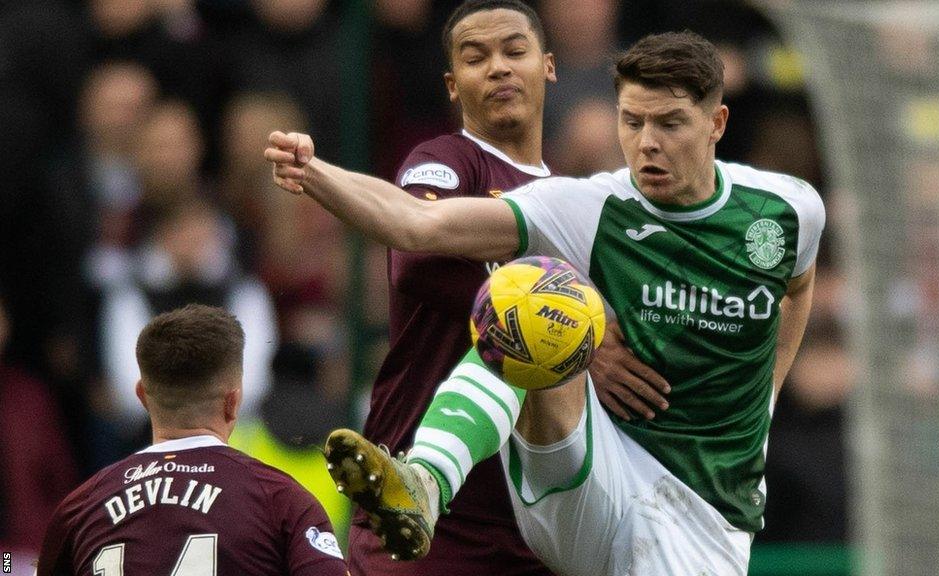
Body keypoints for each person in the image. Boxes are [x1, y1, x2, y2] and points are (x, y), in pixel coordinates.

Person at [266, 30, 824, 576]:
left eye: (670, 123)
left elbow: (796, 288)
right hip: (591, 479)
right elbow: (417, 223)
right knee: (532, 296)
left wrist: (767, 394)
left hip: (706, 512)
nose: (648, 142)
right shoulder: (589, 208)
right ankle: (425, 482)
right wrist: (312, 171)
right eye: (632, 122)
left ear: (716, 123)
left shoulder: (788, 211)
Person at [322, 2, 669, 574]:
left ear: (549, 66)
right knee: (528, 320)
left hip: (533, 522)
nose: (499, 68)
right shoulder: (445, 163)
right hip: (425, 525)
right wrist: (578, 328)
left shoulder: (567, 201)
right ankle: (423, 481)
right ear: (453, 86)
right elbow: (418, 262)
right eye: (475, 58)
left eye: (514, 51)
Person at [35, 304, 350, 575]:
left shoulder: (81, 506)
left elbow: (10, 564)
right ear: (233, 401)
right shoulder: (282, 501)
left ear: (143, 397)